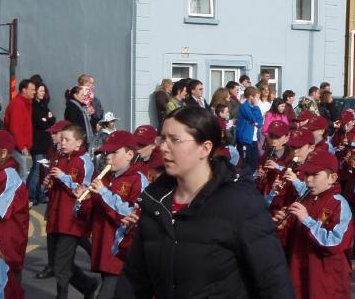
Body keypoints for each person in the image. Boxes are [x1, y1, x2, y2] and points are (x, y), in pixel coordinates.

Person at [114, 106, 295, 298]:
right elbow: (134, 280)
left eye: (175, 140)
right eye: (162, 139)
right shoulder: (155, 202)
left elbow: (273, 281)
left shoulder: (240, 202)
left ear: (205, 148)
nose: (163, 147)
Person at [74, 131, 149, 299]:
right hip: (103, 248)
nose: (108, 157)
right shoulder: (105, 178)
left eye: (115, 152)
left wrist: (103, 193)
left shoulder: (138, 180)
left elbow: (132, 216)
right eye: (107, 153)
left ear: (130, 155)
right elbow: (88, 215)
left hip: (121, 253)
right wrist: (82, 200)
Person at [273, 150, 354, 299]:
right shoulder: (304, 199)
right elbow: (291, 241)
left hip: (326, 280)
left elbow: (334, 243)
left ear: (332, 178)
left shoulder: (338, 204)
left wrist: (307, 220)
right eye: (307, 174)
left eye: (315, 175)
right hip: (300, 273)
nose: (308, 180)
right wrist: (282, 228)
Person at [43, 124, 98, 298]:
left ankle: (62, 295)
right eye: (62, 138)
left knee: (60, 265)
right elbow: (53, 186)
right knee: (56, 262)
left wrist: (64, 178)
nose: (62, 142)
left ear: (78, 143)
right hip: (55, 216)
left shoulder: (84, 161)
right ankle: (87, 285)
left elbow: (86, 189)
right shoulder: (58, 157)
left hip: (71, 219)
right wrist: (49, 185)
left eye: (67, 139)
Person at [0, 130, 29, 283]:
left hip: (7, 245)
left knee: (9, 286)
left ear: (3, 153)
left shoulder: (9, 176)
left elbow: (0, 210)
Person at [35, 119, 71, 280]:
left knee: (73, 235)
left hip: (68, 200)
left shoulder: (71, 153)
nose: (53, 136)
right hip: (54, 197)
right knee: (51, 231)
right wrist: (48, 182)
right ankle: (52, 265)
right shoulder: (52, 150)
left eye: (56, 133)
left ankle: (61, 268)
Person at [28, 82, 56, 204]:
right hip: (38, 142)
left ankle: (36, 193)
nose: (42, 93)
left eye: (43, 91)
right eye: (40, 90)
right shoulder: (34, 106)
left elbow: (52, 120)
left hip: (45, 142)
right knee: (36, 169)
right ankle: (32, 194)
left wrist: (48, 118)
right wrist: (47, 119)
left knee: (43, 169)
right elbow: (41, 123)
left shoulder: (44, 105)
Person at [4, 78, 36, 181]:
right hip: (17, 147)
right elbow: (15, 129)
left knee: (21, 174)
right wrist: (22, 146)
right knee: (21, 175)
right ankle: (21, 196)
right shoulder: (18, 104)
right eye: (32, 89)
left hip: (20, 147)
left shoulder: (26, 103)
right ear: (24, 90)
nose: (34, 92)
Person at [236, 86, 263, 173]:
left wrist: (257, 122)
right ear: (251, 96)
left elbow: (260, 121)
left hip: (253, 139)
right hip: (245, 139)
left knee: (255, 162)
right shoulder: (244, 106)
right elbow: (253, 118)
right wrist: (255, 108)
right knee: (246, 162)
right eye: (256, 97)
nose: (257, 100)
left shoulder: (254, 107)